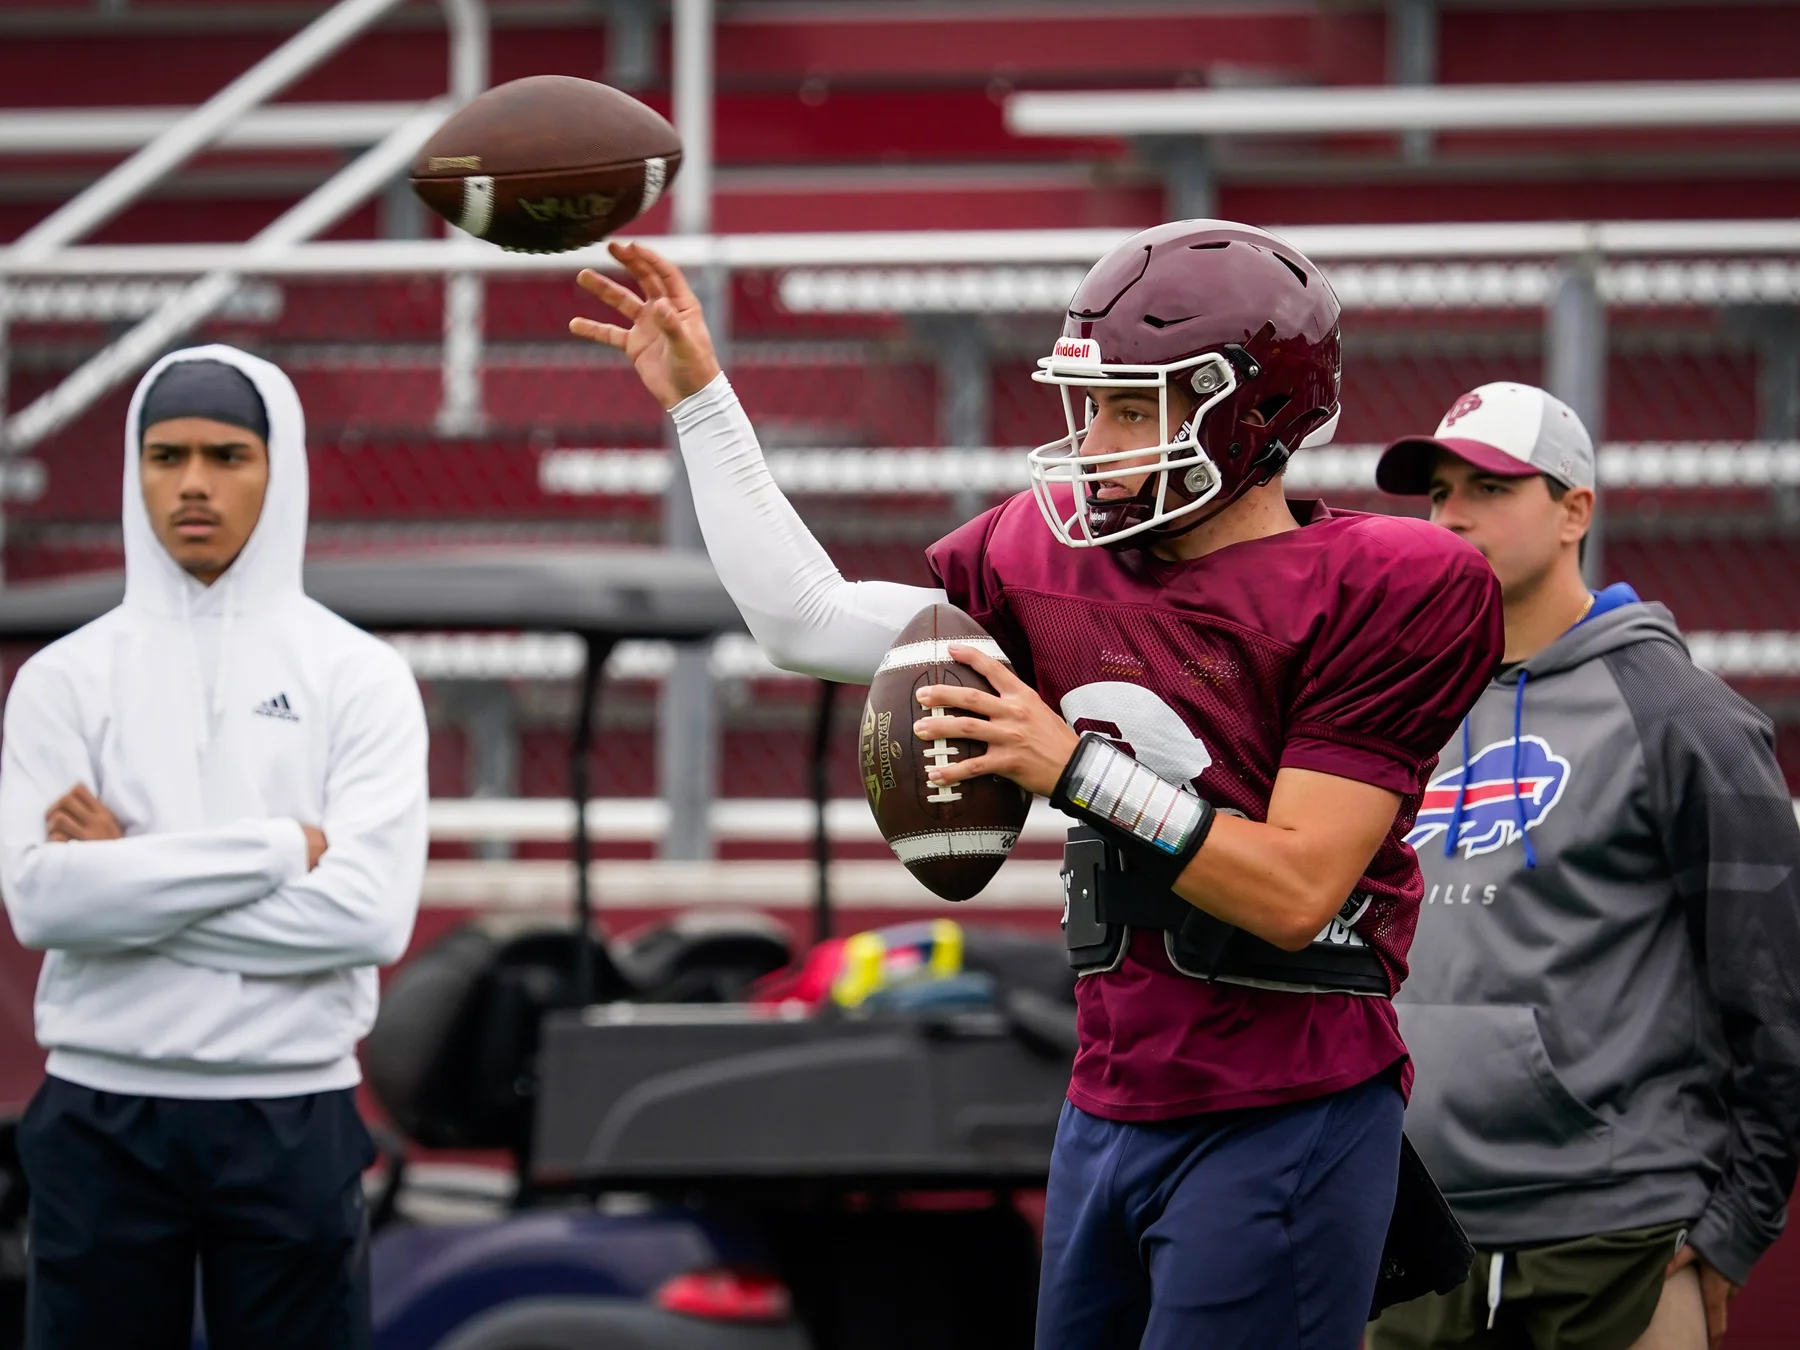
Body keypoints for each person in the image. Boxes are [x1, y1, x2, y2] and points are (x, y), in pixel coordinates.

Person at [571, 223, 1504, 1348]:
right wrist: (701, 403)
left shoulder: (1387, 584)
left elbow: (1300, 888)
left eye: (1131, 411)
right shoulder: (1047, 563)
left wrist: (1072, 769)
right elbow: (805, 622)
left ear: (1249, 411)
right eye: (1090, 405)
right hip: (1107, 1096)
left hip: (1283, 1104)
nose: (1092, 444)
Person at [0, 345, 429, 1350]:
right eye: (167, 456)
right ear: (136, 469)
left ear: (279, 470)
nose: (193, 483)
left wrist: (124, 877)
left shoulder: (358, 676)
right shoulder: (63, 680)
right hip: (101, 1113)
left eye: (227, 456)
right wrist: (277, 850)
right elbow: (43, 905)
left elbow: (367, 918)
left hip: (291, 1109)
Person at [1366, 382, 1800, 1350]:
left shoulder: (1683, 716)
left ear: (1575, 511)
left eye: (1489, 488)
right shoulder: (1397, 704)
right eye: (1438, 493)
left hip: (1618, 1233)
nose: (1452, 517)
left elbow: (1775, 990)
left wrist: (1736, 1227)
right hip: (1416, 1227)